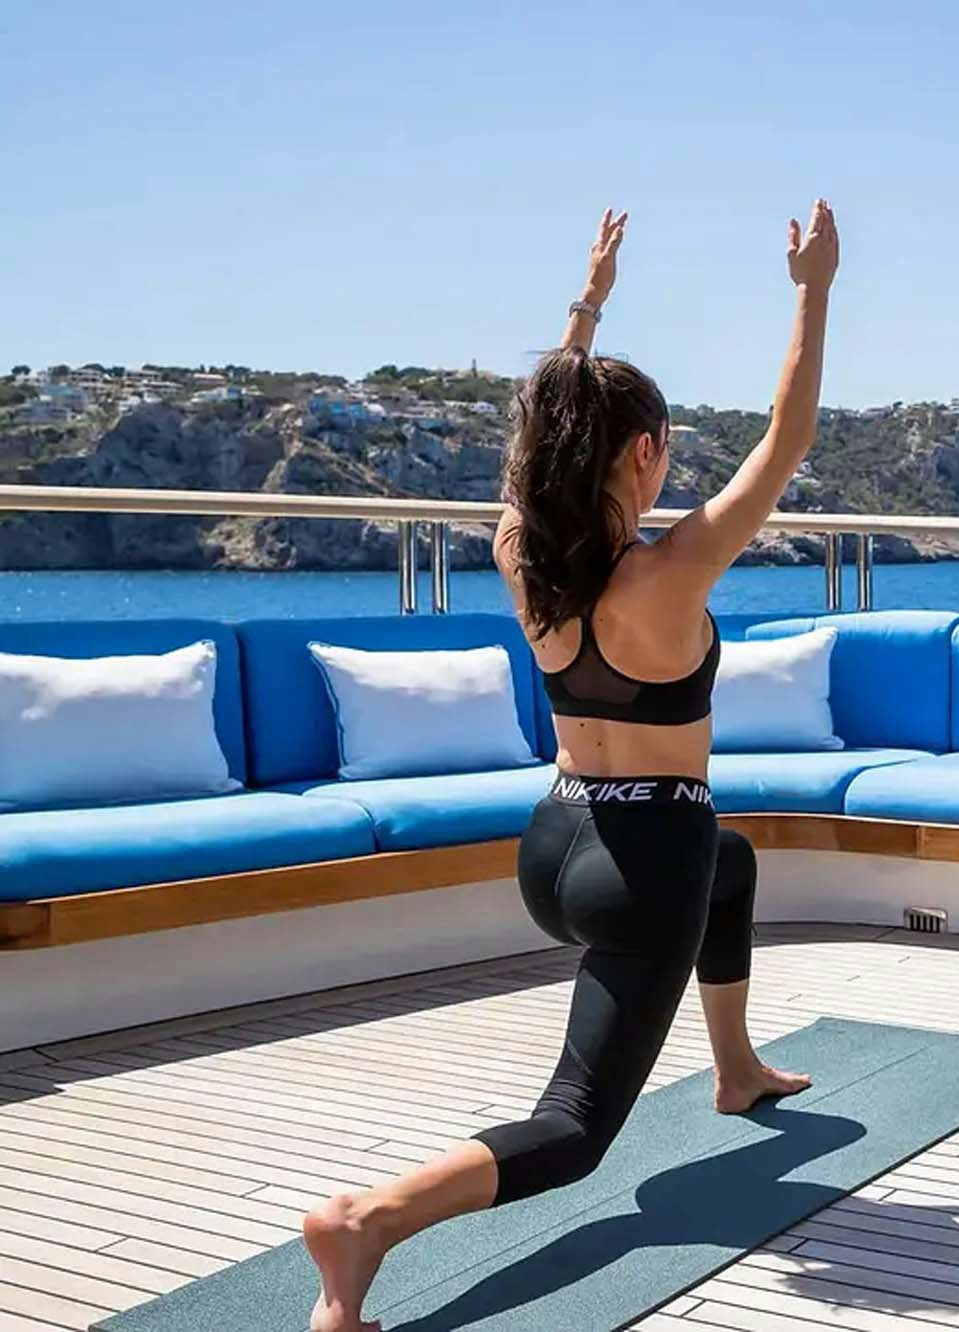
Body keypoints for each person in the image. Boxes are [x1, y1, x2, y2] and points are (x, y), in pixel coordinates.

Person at [301, 199, 840, 1332]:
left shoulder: (519, 553)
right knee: (577, 1128)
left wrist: (586, 306)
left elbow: (530, 442)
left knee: (730, 871)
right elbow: (787, 437)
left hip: (555, 843)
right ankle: (372, 1224)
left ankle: (736, 1068)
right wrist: (813, 288)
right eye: (665, 450)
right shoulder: (670, 572)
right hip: (643, 855)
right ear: (644, 453)